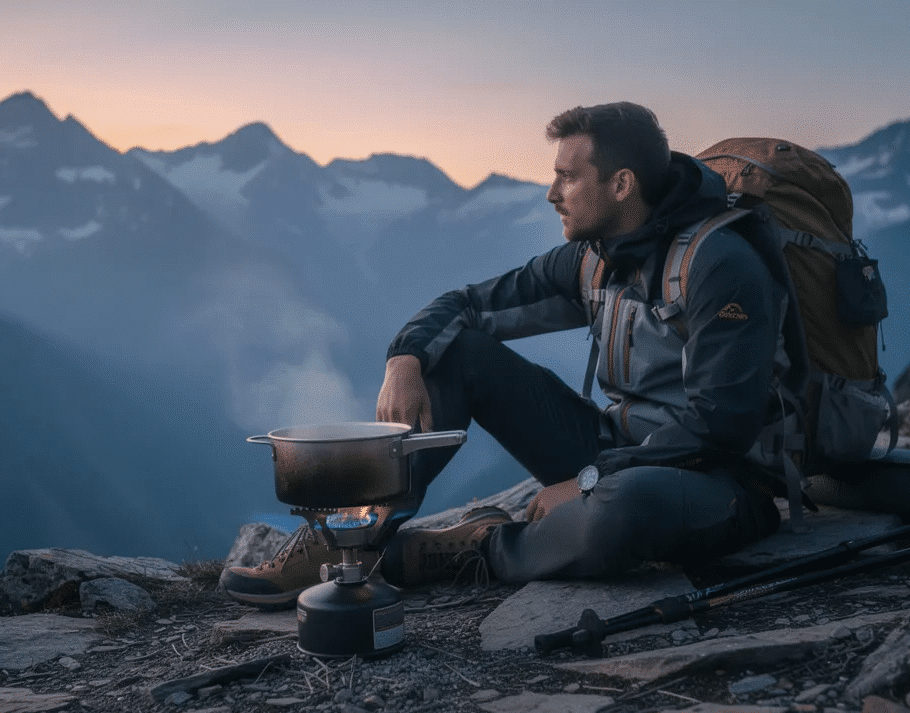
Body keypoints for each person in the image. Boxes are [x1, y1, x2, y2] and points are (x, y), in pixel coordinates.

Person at [221, 101, 799, 608]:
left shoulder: (719, 264)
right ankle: (353, 541)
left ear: (622, 185)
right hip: (620, 454)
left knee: (622, 512)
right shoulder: (593, 259)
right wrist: (406, 358)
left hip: (720, 481)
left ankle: (477, 549)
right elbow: (468, 307)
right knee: (452, 353)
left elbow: (721, 426)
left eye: (567, 178)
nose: (551, 194)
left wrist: (593, 479)